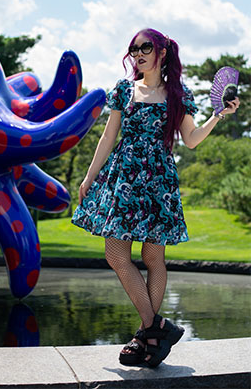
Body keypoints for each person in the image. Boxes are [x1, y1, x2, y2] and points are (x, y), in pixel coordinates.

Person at [71, 28, 241, 368]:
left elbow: (191, 140)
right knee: (116, 254)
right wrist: (90, 175)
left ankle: (148, 336)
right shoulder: (124, 90)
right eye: (134, 49)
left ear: (162, 51)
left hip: (158, 182)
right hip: (125, 178)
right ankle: (156, 325)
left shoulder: (178, 93)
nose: (138, 54)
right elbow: (109, 135)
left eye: (145, 47)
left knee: (153, 257)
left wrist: (218, 116)